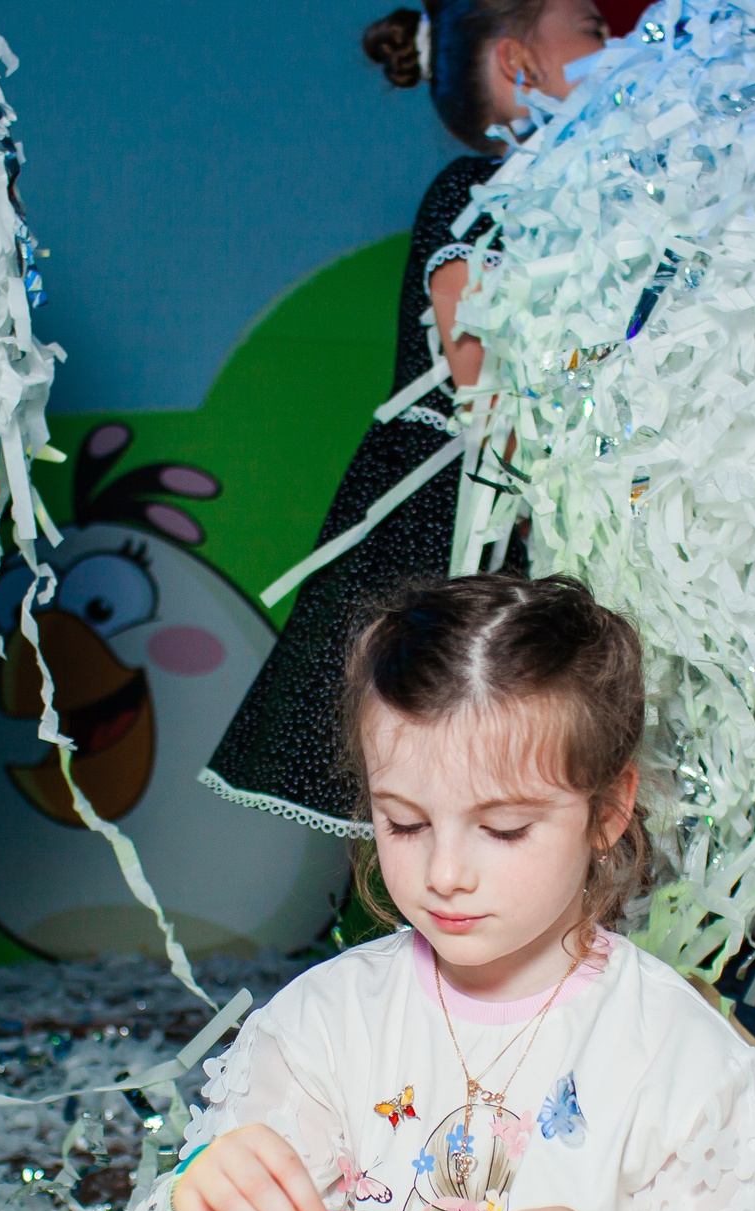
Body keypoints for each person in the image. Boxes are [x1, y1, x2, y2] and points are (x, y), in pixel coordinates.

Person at [160, 572, 755, 1211]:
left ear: (610, 809)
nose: (444, 874)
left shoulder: (681, 1057)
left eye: (504, 829)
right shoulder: (324, 1026)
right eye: (403, 822)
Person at [200, 0, 610, 839]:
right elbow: (477, 369)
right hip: (459, 530)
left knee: (520, 772)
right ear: (517, 65)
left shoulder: (593, 219)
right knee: (451, 757)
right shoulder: (475, 190)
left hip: (526, 525)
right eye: (594, 27)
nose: (619, 44)